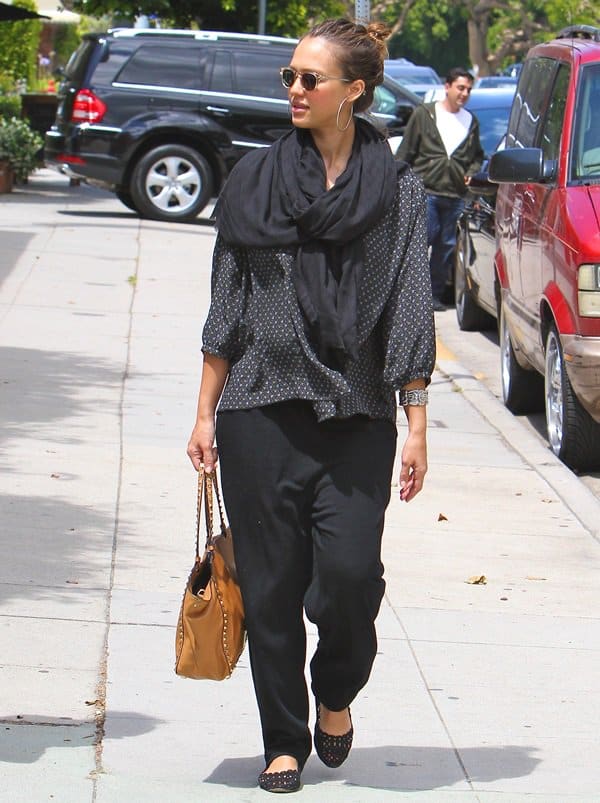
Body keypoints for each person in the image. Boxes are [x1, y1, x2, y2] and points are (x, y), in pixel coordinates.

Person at [187, 18, 435, 794]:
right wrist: (203, 412)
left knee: (350, 580)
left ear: (353, 91)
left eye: (309, 79)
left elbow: (408, 309)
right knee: (269, 588)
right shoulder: (254, 180)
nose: (293, 90)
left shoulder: (397, 190)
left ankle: (336, 692)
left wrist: (417, 423)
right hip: (259, 408)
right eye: (289, 77)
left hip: (356, 414)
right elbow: (226, 302)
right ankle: (283, 739)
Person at [397, 67, 484, 311]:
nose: (464, 93)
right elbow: (406, 151)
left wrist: (471, 173)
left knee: (445, 247)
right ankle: (410, 296)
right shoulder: (425, 115)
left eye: (468, 89)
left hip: (455, 195)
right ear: (447, 87)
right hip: (427, 191)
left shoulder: (470, 121)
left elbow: (477, 156)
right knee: (420, 244)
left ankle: (433, 296)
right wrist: (399, 184)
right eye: (460, 88)